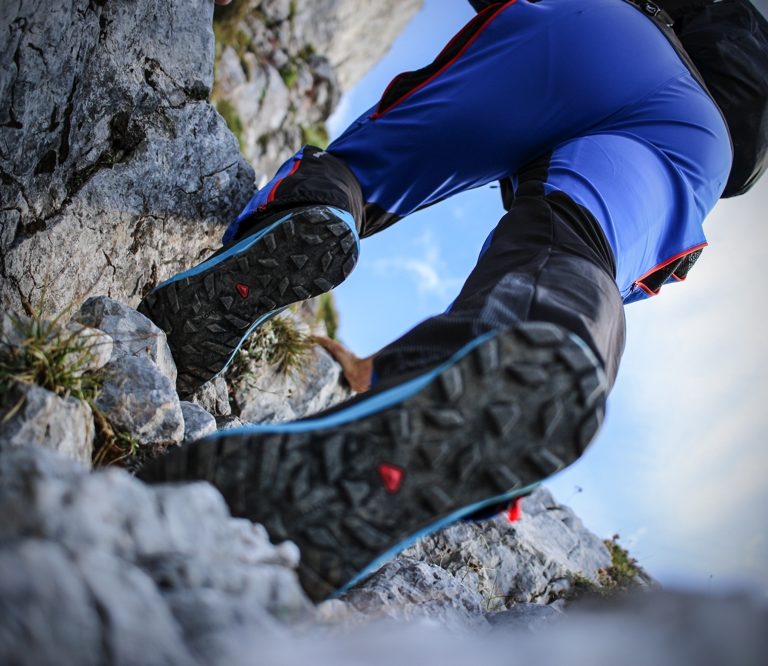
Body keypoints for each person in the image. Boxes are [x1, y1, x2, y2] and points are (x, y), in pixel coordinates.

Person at [138, 0, 768, 601]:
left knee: (368, 172)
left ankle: (317, 209)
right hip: (698, 143)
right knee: (577, 253)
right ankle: (541, 347)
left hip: (604, 33)